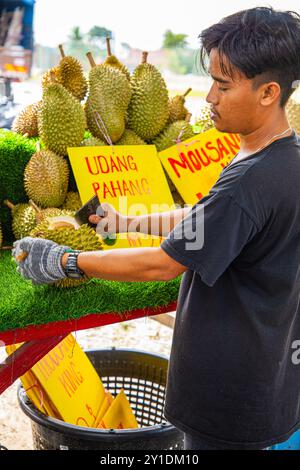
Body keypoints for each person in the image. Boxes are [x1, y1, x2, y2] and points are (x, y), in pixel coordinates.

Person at [12, 7, 300, 450]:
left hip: (228, 395)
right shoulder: (285, 158)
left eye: (223, 86)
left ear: (269, 93)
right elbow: (207, 220)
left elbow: (162, 265)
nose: (210, 98)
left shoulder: (248, 182)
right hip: (270, 375)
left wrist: (66, 261)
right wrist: (128, 221)